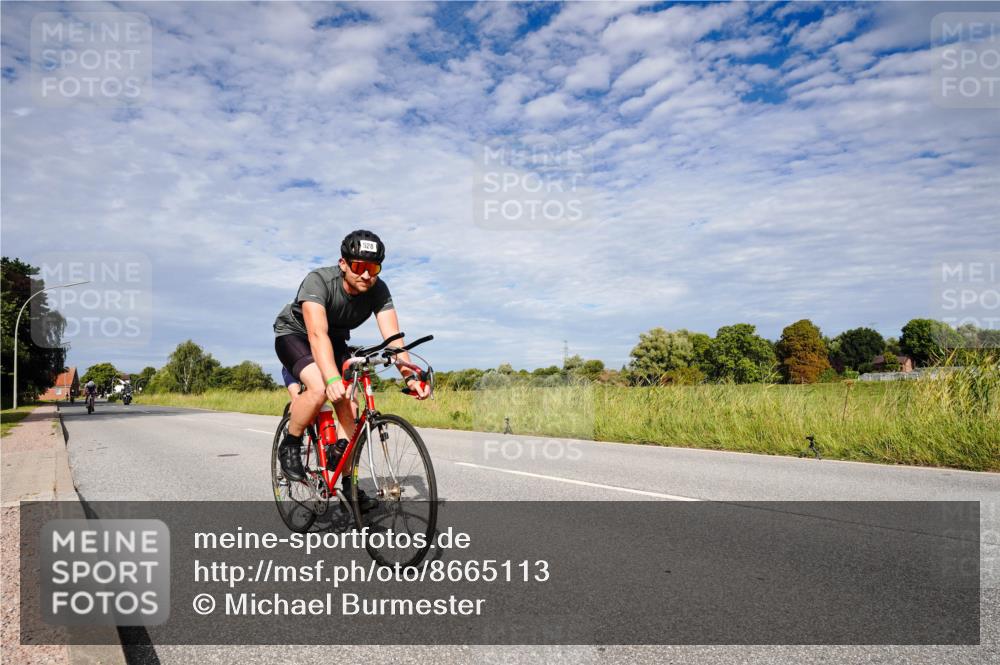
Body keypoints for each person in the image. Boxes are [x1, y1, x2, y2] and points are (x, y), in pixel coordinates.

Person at [272, 230, 429, 508]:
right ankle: (292, 443)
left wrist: (410, 374)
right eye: (359, 267)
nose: (367, 275)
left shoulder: (378, 289)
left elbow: (393, 338)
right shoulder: (319, 281)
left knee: (350, 404)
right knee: (321, 388)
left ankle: (347, 482)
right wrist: (331, 377)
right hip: (296, 335)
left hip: (334, 339)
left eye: (373, 268)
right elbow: (317, 334)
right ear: (343, 263)